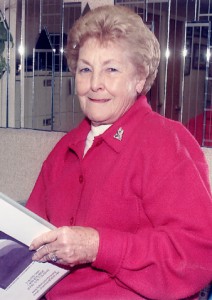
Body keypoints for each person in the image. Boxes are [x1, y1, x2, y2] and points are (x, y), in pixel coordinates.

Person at [26, 5, 212, 300]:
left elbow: (196, 255)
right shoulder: (65, 149)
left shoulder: (166, 142)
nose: (95, 83)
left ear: (139, 79)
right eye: (86, 69)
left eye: (111, 69)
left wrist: (98, 246)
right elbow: (29, 236)